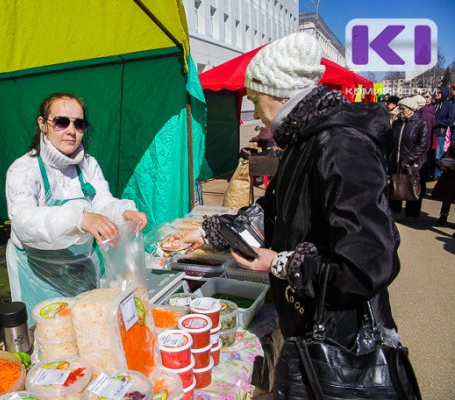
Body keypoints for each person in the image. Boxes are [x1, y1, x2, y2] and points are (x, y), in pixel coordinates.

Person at [173, 32, 404, 398]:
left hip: (339, 340)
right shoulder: (304, 139)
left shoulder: (341, 145)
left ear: (277, 93)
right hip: (305, 321)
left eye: (253, 96)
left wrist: (280, 264)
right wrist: (209, 232)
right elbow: (275, 211)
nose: (252, 105)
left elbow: (366, 267)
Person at [5, 92, 147, 318]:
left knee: (86, 330)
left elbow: (102, 202)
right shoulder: (23, 170)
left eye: (79, 124)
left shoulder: (88, 165)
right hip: (38, 277)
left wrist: (123, 212)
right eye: (61, 122)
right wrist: (77, 218)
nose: (71, 130)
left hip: (81, 271)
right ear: (43, 124)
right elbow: (24, 221)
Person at [388, 97, 430, 219]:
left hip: (413, 162)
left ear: (411, 110)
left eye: (403, 109)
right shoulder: (397, 122)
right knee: (396, 185)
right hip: (396, 159)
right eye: (399, 108)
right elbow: (391, 142)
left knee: (412, 186)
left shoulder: (421, 123)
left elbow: (423, 144)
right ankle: (394, 211)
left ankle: (412, 214)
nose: (400, 111)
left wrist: (409, 159)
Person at [431, 141, 455, 225]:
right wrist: (441, 165)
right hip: (449, 177)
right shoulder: (451, 148)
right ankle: (443, 216)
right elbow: (441, 159)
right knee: (447, 197)